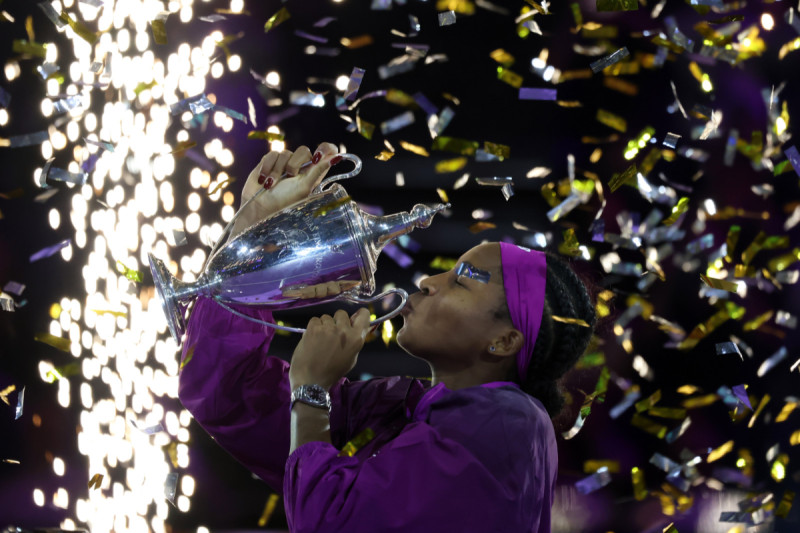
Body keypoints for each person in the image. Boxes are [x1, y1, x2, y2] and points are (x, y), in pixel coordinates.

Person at [177, 143, 597, 533]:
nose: (429, 281)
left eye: (464, 280)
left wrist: (310, 394)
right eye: (447, 270)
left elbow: (334, 523)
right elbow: (222, 394)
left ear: (505, 341)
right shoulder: (398, 408)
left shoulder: (513, 426)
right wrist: (257, 228)